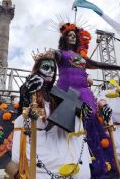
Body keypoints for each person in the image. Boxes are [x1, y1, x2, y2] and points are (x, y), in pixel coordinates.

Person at [55, 22, 120, 178]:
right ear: (64, 38)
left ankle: (100, 164)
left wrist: (117, 67)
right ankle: (75, 163)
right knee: (74, 125)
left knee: (93, 120)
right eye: (69, 35)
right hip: (67, 92)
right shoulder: (59, 53)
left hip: (84, 92)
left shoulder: (81, 57)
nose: (73, 38)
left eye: (75, 35)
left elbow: (97, 64)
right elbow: (47, 59)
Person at [10, 50, 91, 178]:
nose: (51, 71)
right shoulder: (29, 87)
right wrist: (26, 94)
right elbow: (22, 112)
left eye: (53, 68)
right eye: (46, 67)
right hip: (33, 140)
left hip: (52, 139)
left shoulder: (55, 92)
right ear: (37, 69)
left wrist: (81, 108)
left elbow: (72, 102)